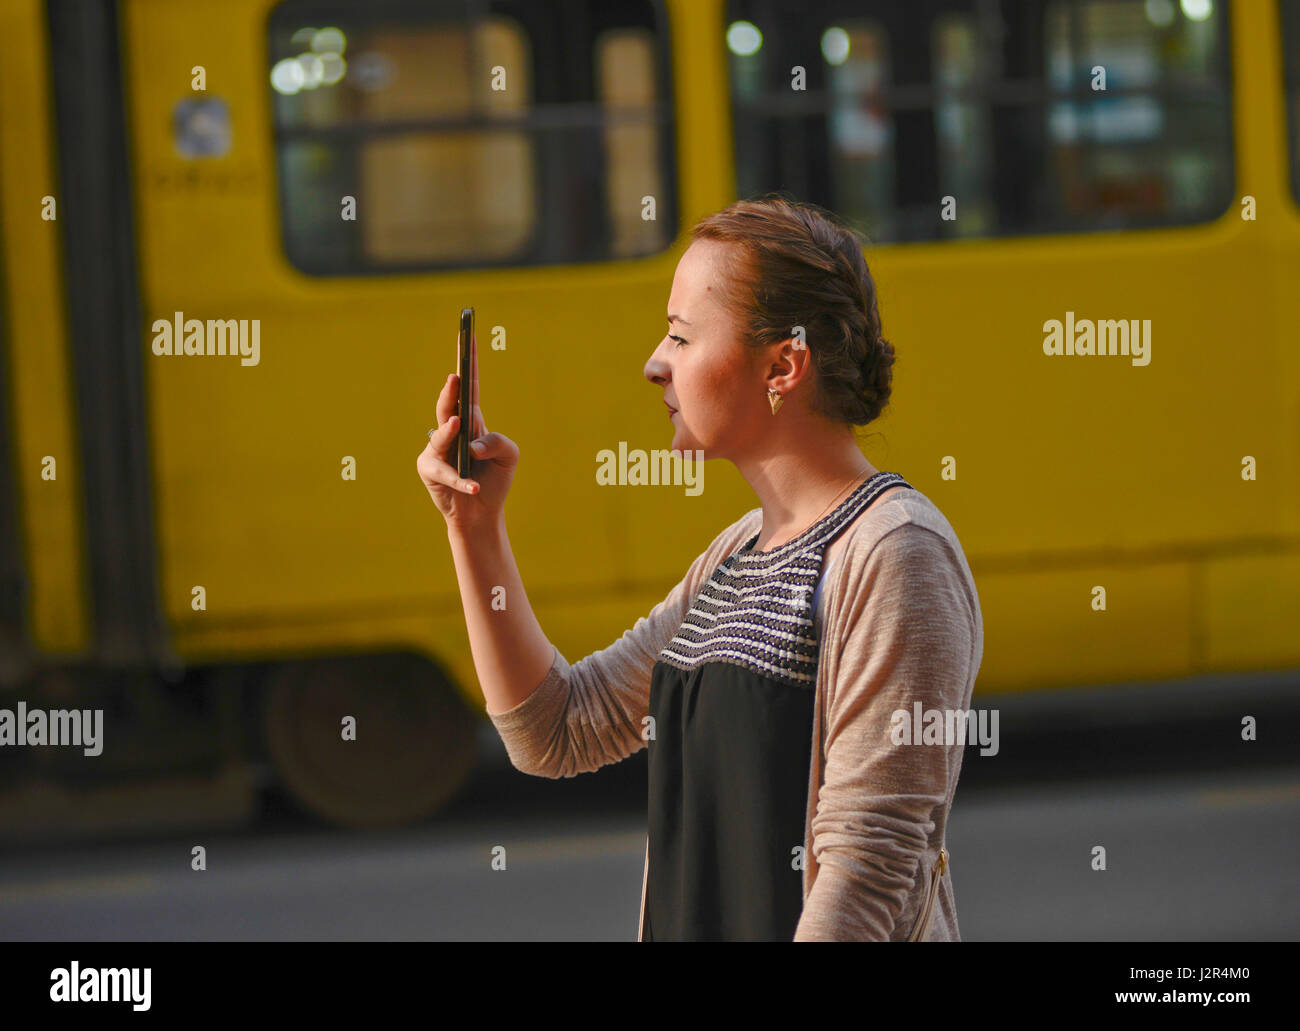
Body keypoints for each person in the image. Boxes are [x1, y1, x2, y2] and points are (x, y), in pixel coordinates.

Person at [417, 195, 984, 941]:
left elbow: (867, 871)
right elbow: (557, 729)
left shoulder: (894, 551)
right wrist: (475, 527)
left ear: (783, 364)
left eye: (682, 337)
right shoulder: (738, 553)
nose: (655, 363)